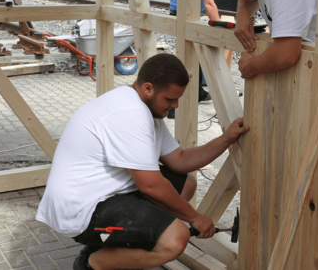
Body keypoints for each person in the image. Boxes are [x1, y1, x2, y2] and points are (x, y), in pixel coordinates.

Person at [36, 53, 250, 270]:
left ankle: (106, 248)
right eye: (169, 99)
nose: (175, 104)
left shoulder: (145, 109)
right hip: (80, 210)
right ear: (148, 88)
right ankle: (92, 263)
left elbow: (179, 160)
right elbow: (150, 187)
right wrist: (195, 218)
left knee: (186, 184)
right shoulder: (130, 113)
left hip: (104, 193)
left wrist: (225, 139)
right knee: (175, 239)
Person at [206, 0, 318, 80]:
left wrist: (250, 66)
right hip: (297, 75)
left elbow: (286, 53)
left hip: (313, 74)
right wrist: (242, 12)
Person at [167, 0, 237, 119]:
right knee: (186, 60)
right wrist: (219, 28)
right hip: (188, 14)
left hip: (176, 10)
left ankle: (197, 92)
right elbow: (209, 2)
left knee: (191, 55)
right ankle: (173, 108)